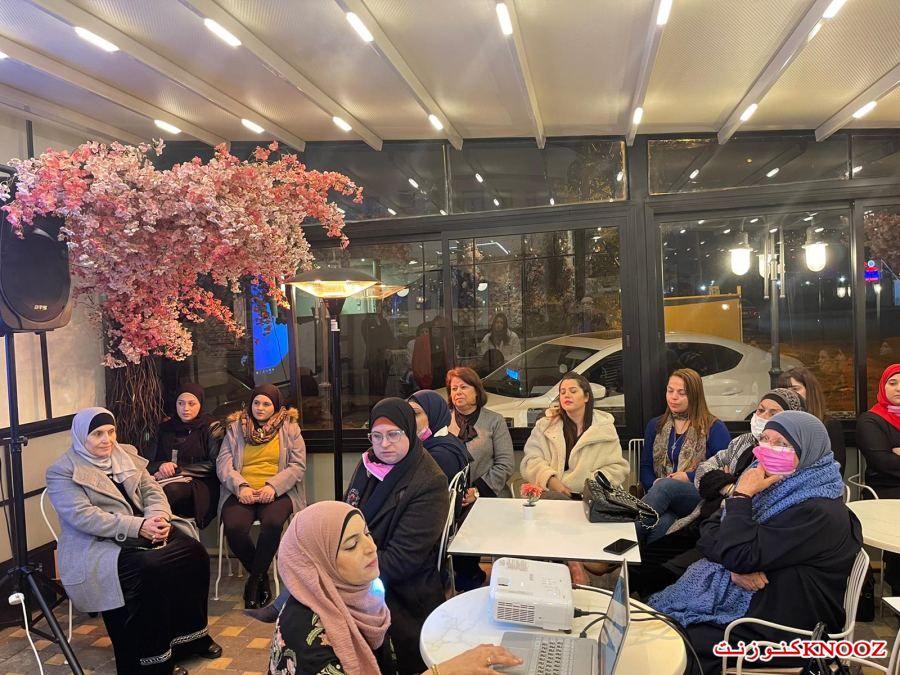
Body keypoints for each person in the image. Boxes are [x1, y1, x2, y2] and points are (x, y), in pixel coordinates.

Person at [649, 411, 862, 674]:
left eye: (782, 444)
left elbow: (738, 552)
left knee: (676, 645)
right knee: (660, 627)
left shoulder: (817, 509)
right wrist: (734, 563)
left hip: (786, 627)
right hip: (761, 602)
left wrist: (741, 497)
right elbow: (710, 529)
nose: (769, 448)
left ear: (809, 451)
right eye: (765, 439)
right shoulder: (770, 484)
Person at [46, 407, 221, 675]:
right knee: (150, 568)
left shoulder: (125, 454)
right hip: (99, 544)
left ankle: (191, 640)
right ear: (81, 436)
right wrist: (139, 527)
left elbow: (152, 490)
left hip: (145, 526)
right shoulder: (62, 471)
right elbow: (84, 517)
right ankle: (152, 661)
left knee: (193, 553)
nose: (107, 439)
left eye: (111, 431)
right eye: (97, 434)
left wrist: (158, 518)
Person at [268, 500, 522, 675]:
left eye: (367, 534)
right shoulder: (309, 640)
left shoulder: (360, 597)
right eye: (351, 545)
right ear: (317, 565)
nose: (371, 548)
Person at [629, 388, 806, 598]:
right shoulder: (743, 442)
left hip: (725, 533)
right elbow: (703, 471)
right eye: (760, 410)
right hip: (704, 519)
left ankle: (624, 540)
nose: (763, 417)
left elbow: (754, 503)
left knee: (657, 574)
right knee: (639, 563)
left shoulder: (785, 461)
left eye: (773, 413)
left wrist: (730, 486)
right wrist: (730, 486)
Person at [346, 398, 449, 675]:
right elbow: (346, 516)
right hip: (362, 576)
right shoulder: (369, 465)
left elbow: (401, 561)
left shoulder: (429, 482)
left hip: (403, 593)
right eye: (376, 436)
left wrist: (339, 567)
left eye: (394, 434)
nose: (384, 444)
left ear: (410, 432)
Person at [217, 384, 306, 609]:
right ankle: (260, 576)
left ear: (276, 406)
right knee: (234, 528)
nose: (260, 408)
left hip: (277, 491)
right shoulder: (235, 428)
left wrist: (273, 487)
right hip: (242, 490)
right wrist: (241, 487)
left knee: (273, 524)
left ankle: (254, 583)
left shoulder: (290, 428)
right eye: (256, 402)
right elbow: (223, 464)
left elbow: (297, 466)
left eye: (266, 404)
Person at [638, 368, 730, 543]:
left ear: (695, 395)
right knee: (663, 524)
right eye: (670, 390)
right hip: (659, 497)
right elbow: (645, 467)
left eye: (682, 393)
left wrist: (688, 477)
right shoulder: (656, 425)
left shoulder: (714, 428)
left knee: (666, 487)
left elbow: (723, 474)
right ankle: (638, 559)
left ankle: (623, 536)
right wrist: (655, 485)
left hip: (698, 494)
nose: (673, 397)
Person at [446, 367, 515, 592]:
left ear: (476, 391)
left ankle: (472, 579)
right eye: (453, 388)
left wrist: (475, 491)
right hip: (450, 495)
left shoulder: (494, 421)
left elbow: (506, 464)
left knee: (470, 520)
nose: (458, 392)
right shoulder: (443, 421)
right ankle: (458, 579)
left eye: (464, 387)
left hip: (488, 494)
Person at [521, 372, 628, 495]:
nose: (567, 395)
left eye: (573, 391)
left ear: (586, 397)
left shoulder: (604, 428)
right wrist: (550, 480)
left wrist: (589, 483)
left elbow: (617, 468)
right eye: (562, 392)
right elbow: (531, 460)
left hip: (591, 497)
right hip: (551, 495)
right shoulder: (544, 426)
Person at [148, 383, 222, 529]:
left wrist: (178, 471)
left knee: (169, 491)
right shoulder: (164, 428)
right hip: (164, 480)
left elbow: (216, 464)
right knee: (145, 492)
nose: (185, 408)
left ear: (200, 404)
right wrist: (162, 465)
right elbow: (147, 462)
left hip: (199, 486)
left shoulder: (211, 427)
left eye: (191, 404)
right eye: (180, 403)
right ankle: (154, 533)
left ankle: (161, 534)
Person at [856, 363, 900, 592]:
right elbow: (883, 462)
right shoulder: (870, 420)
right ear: (883, 387)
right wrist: (891, 455)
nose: (899, 388)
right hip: (885, 491)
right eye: (893, 383)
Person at [781, 366, 846, 475]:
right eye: (784, 390)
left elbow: (837, 467)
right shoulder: (778, 425)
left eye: (795, 389)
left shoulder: (829, 424)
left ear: (810, 391)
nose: (789, 394)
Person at [408, 389, 472, 482]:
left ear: (433, 414)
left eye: (415, 414)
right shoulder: (448, 439)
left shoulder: (438, 455)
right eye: (408, 413)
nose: (409, 419)